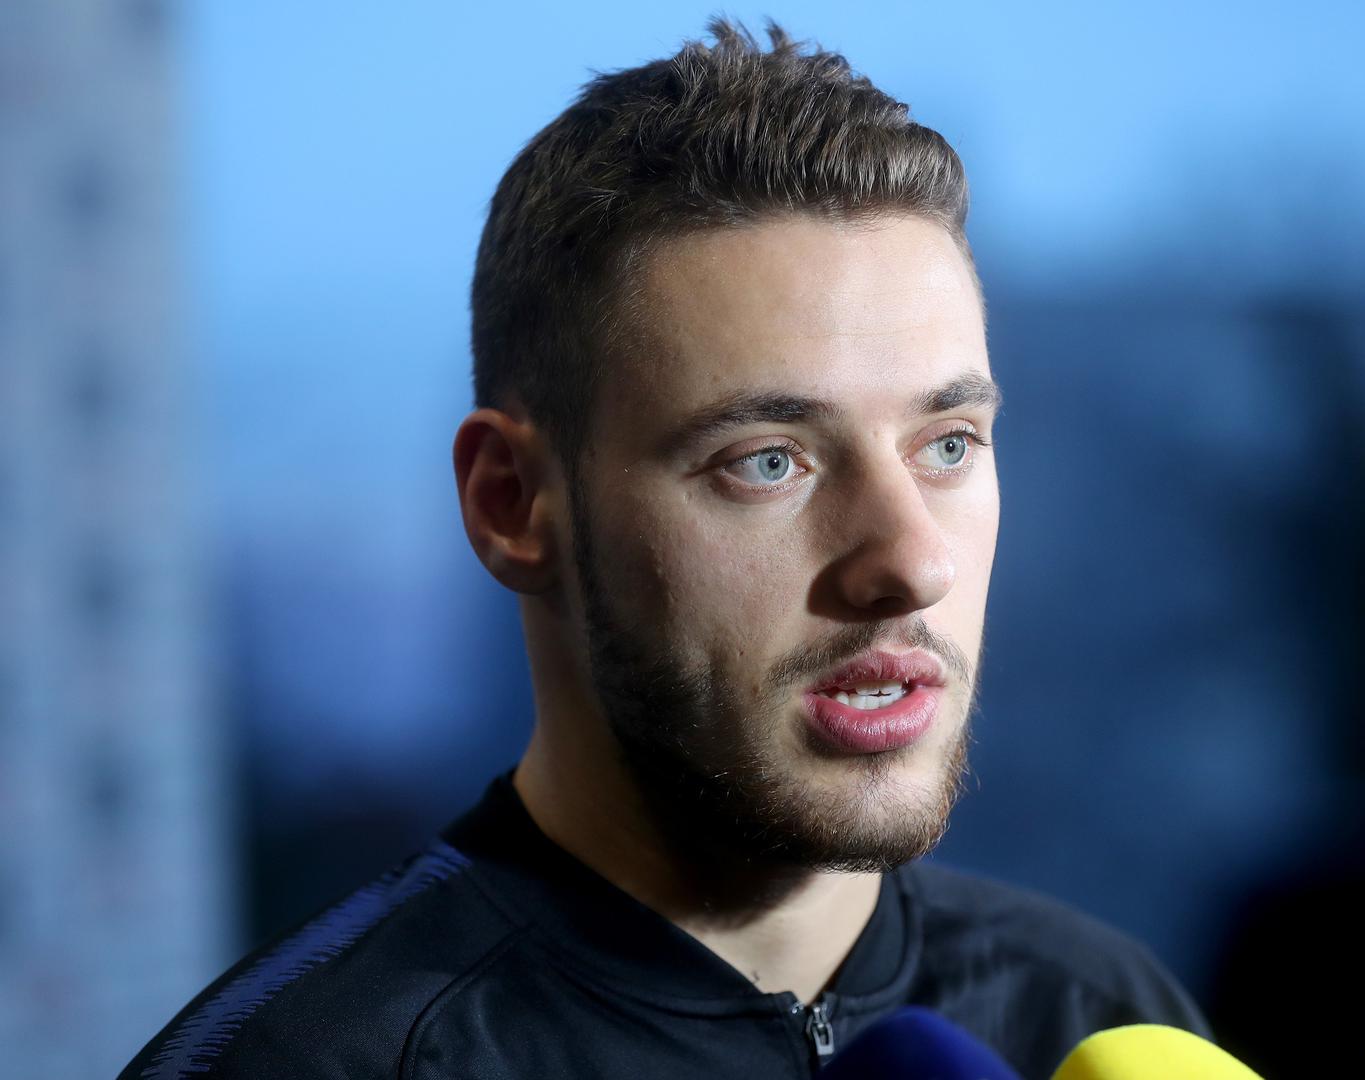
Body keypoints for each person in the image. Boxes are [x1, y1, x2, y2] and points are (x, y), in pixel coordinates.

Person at [121, 20, 1206, 1079]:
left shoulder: (1096, 1012)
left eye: (949, 444)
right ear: (512, 503)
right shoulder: (301, 1063)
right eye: (768, 461)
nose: (912, 564)